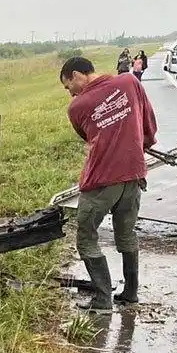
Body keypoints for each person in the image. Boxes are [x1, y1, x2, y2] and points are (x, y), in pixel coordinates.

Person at [60, 56, 158, 312]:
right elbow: (147, 119)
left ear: (76, 75)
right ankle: (130, 293)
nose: (69, 93)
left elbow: (87, 136)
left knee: (86, 238)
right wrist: (141, 144)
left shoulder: (77, 106)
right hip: (134, 175)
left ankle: (103, 300)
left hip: (102, 181)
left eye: (68, 86)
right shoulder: (129, 82)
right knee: (126, 234)